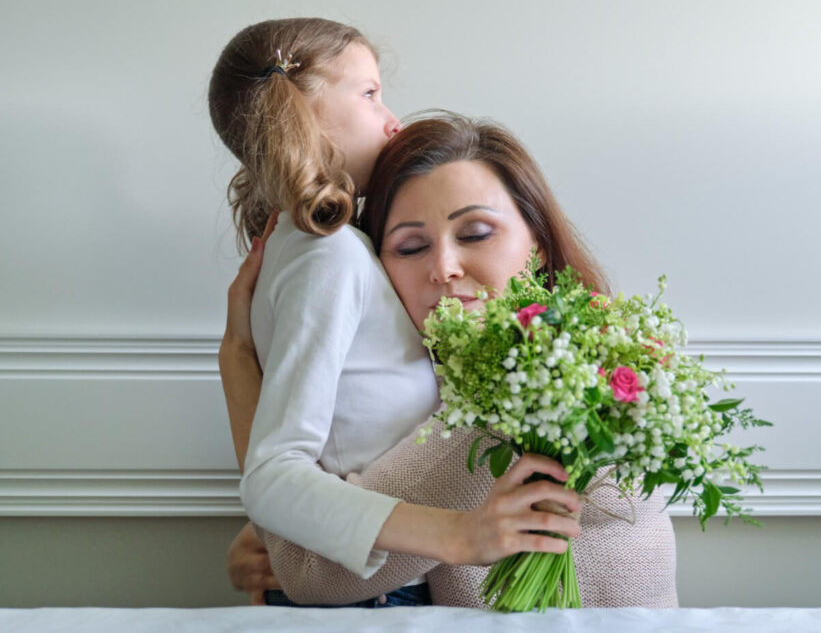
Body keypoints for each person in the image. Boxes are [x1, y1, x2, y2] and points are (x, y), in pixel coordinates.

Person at [222, 113, 679, 608]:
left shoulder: (525, 393)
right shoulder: (443, 379)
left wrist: (239, 360)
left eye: (476, 233)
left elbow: (306, 570)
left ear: (539, 245)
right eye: (411, 246)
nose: (443, 268)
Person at [209, 19, 581, 608]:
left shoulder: (324, 250)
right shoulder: (327, 255)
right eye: (369, 93)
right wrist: (459, 534)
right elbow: (275, 473)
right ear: (299, 111)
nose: (392, 120)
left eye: (477, 232)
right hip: (377, 598)